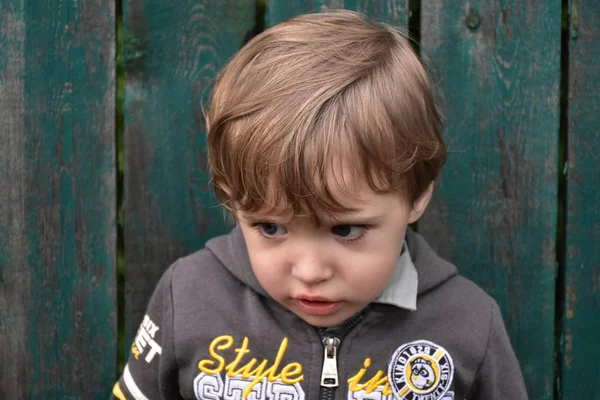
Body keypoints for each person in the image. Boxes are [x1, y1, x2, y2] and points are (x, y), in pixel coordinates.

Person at [111, 10, 528, 400]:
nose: (310, 272)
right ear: (232, 197)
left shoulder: (469, 325)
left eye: (345, 230)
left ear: (418, 195)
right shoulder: (187, 295)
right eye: (270, 228)